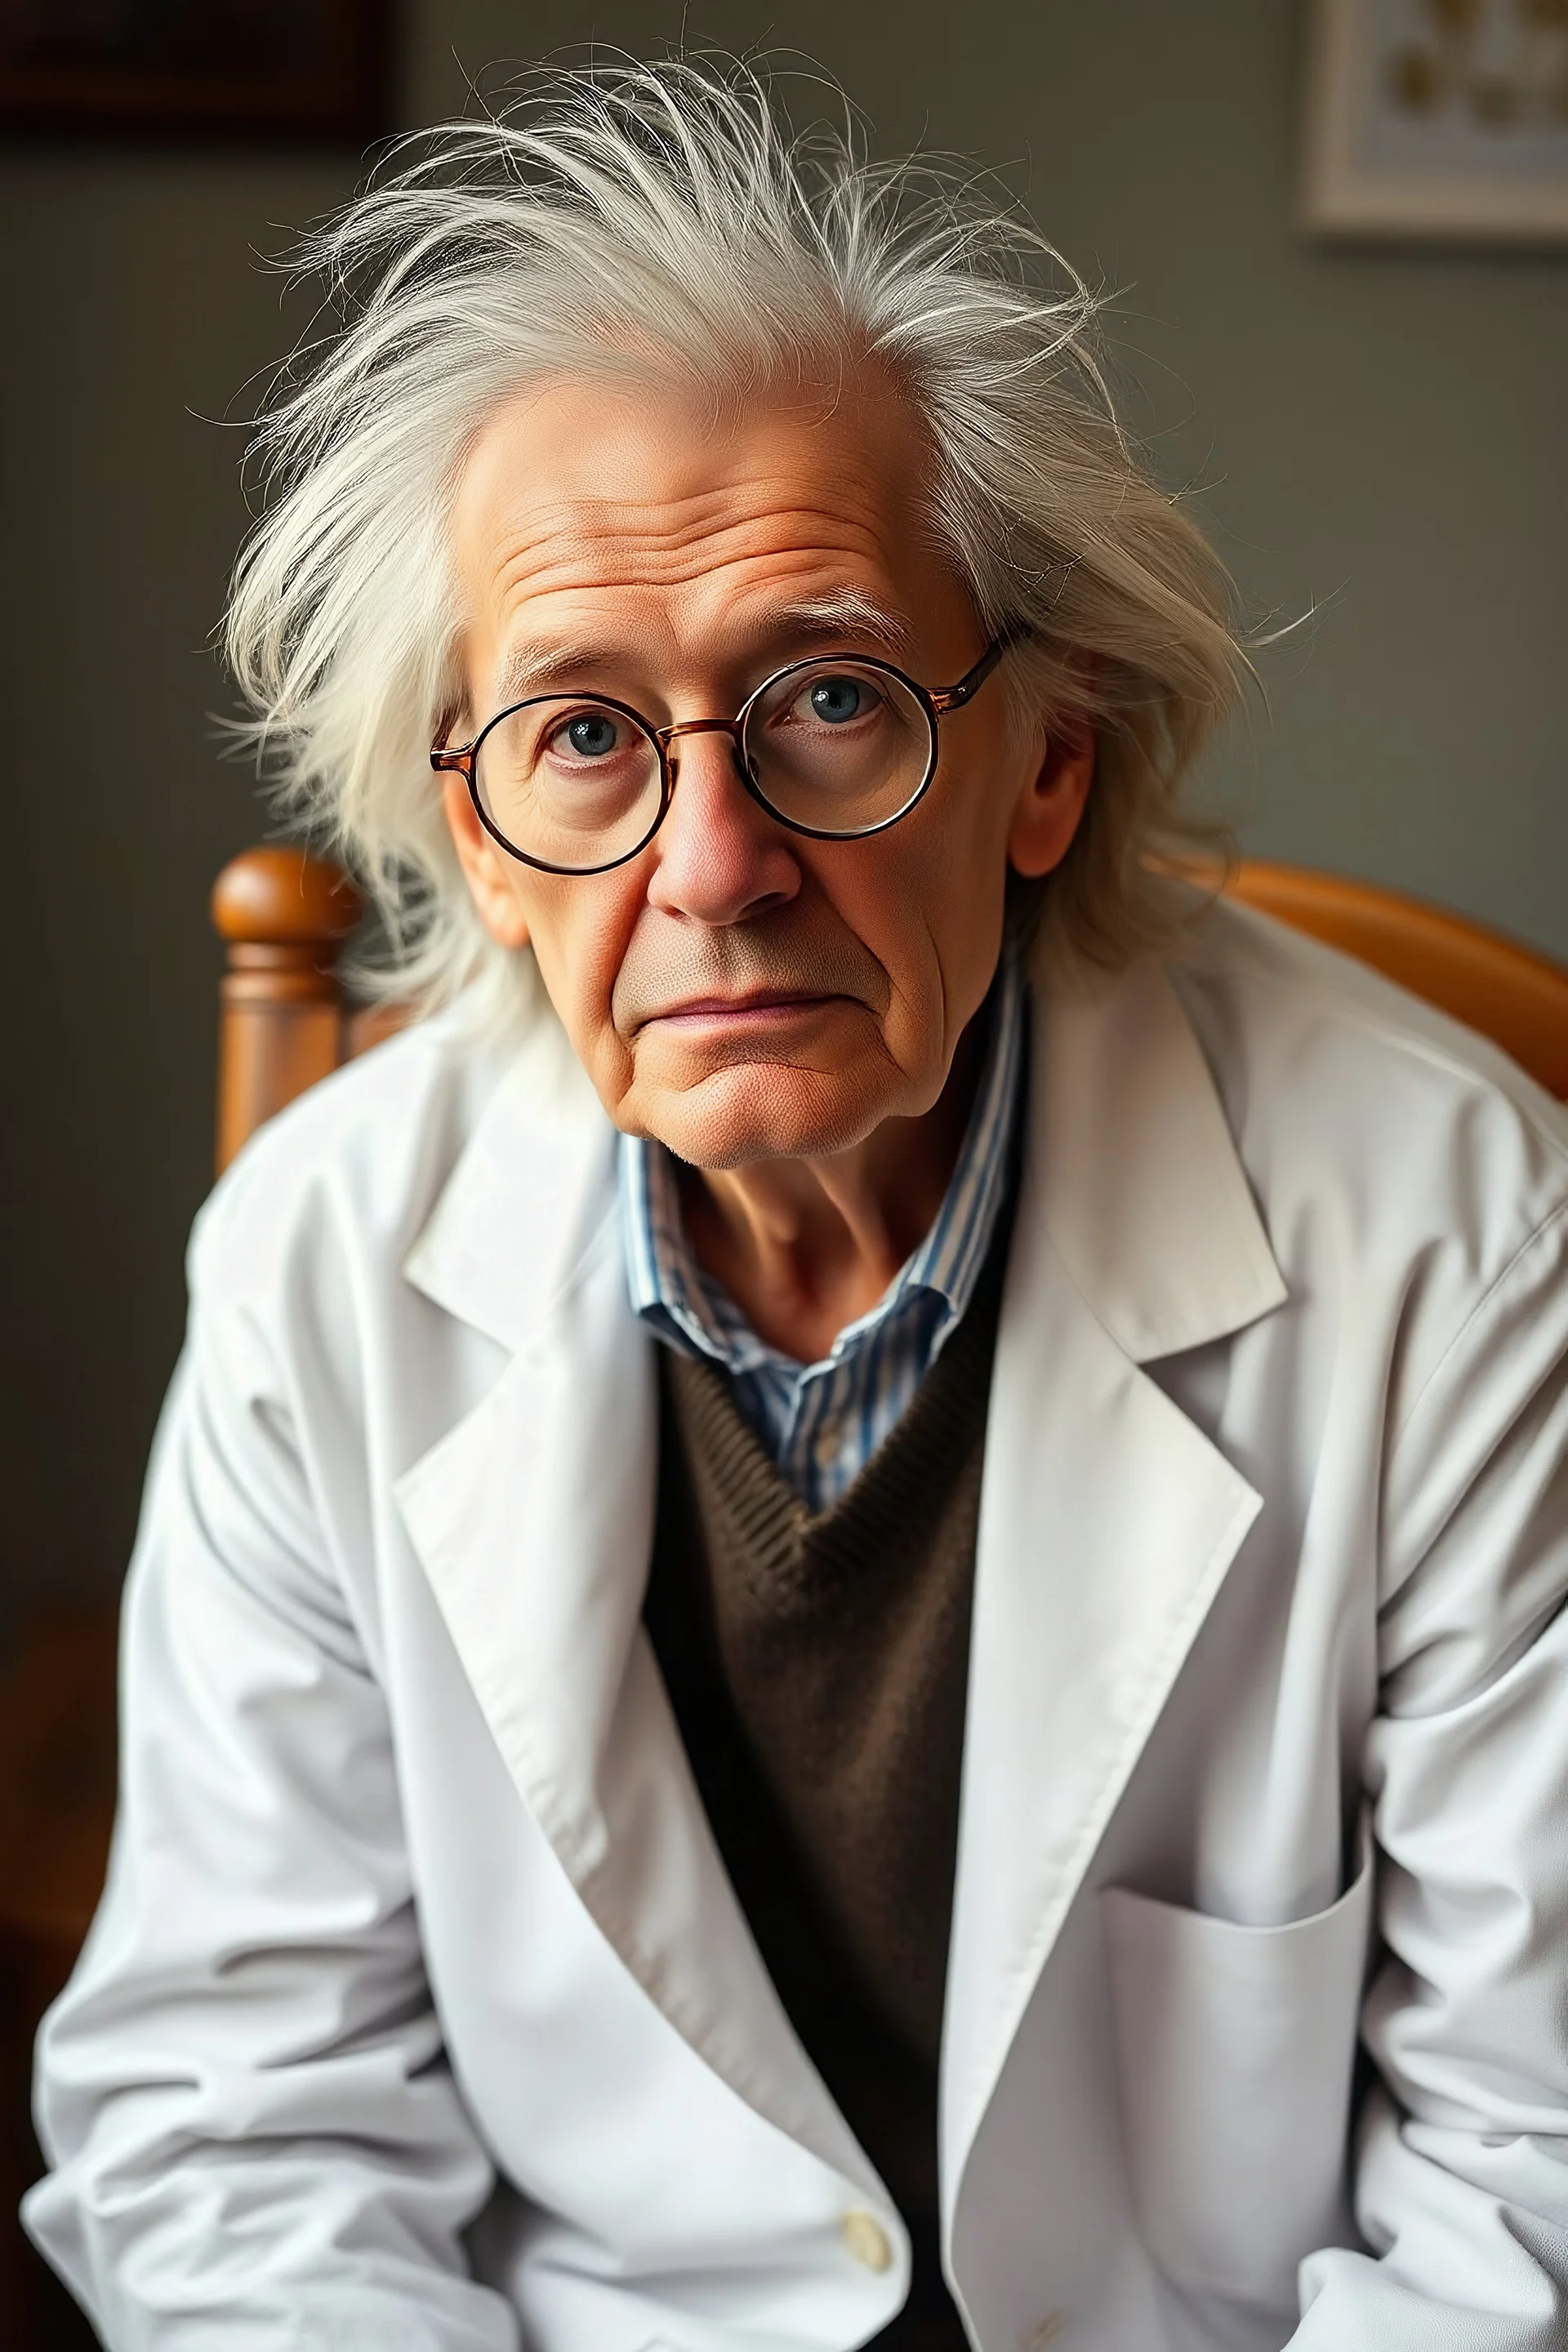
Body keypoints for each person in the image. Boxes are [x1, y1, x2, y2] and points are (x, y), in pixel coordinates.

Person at [24, 55, 1568, 2352]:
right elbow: (238, 2126)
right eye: (581, 734)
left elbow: (1522, 2162)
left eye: (831, 697)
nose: (714, 868)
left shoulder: (1448, 1224)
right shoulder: (328, 1258)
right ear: (467, 829)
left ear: (1045, 759)